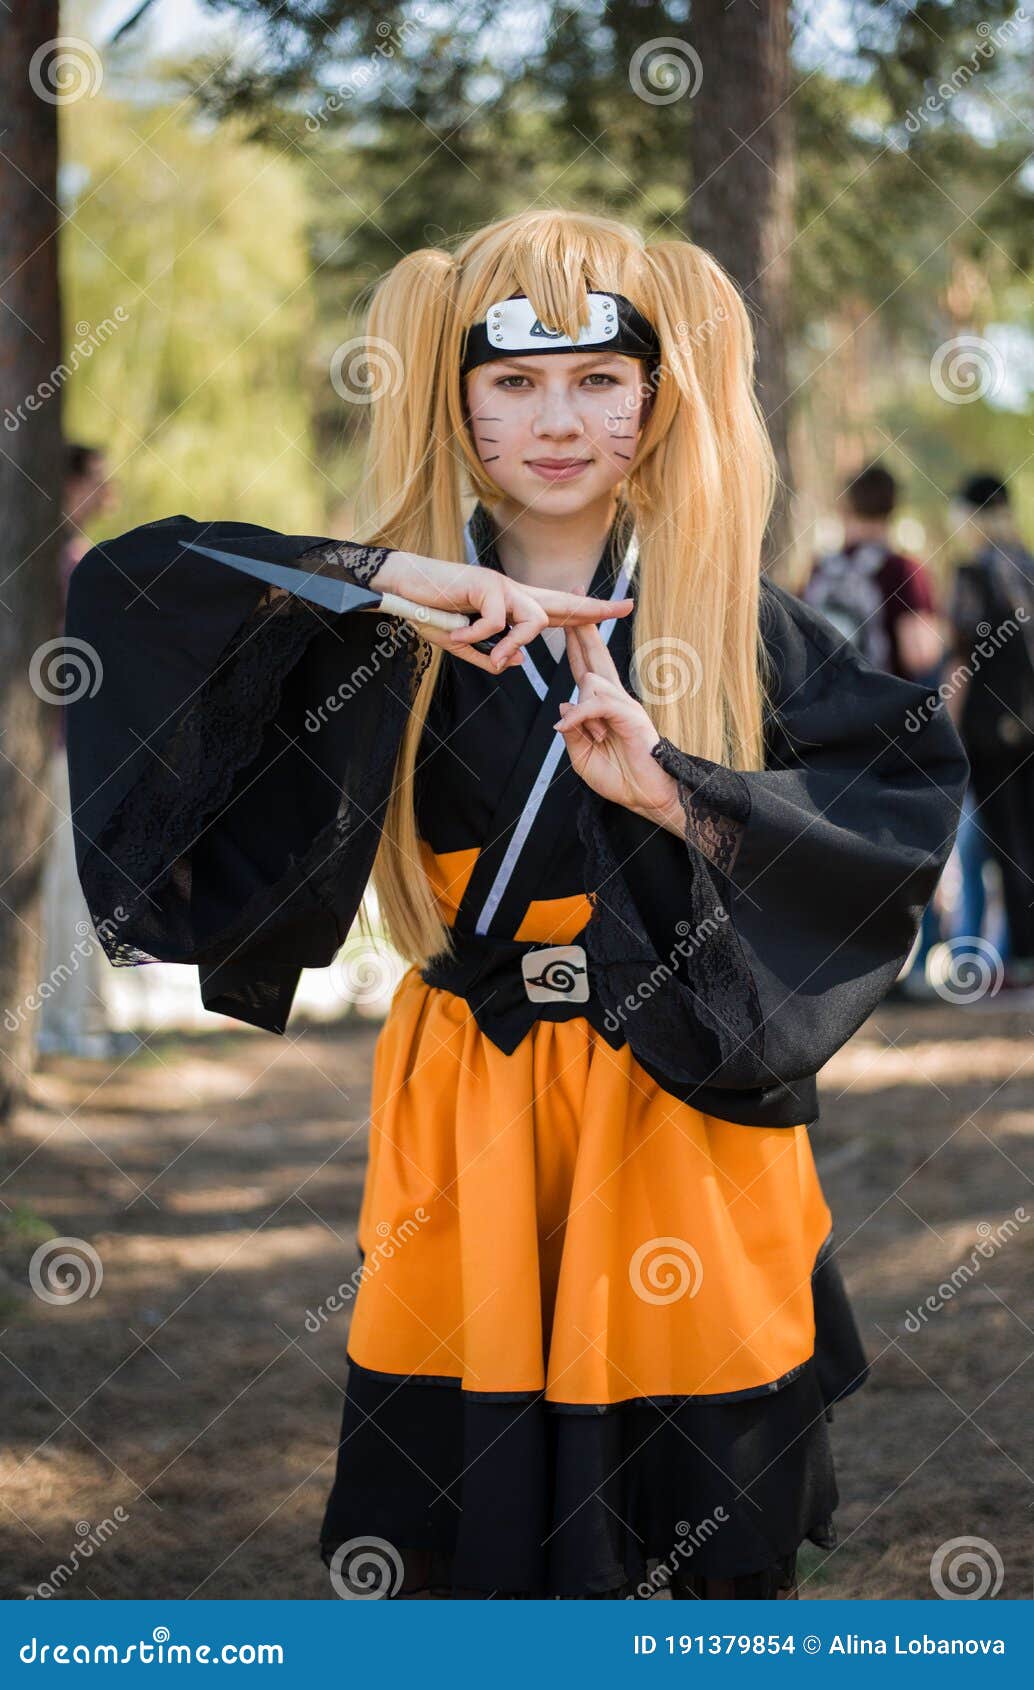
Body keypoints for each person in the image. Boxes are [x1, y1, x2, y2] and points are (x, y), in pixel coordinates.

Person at [63, 210, 968, 1599]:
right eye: (514, 381)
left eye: (600, 379)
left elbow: (898, 798)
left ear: (658, 395)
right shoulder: (380, 622)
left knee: (696, 1504)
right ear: (455, 394)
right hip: (471, 1091)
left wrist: (678, 789)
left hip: (678, 1094)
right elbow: (133, 585)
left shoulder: (727, 614)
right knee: (466, 1514)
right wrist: (387, 576)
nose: (557, 420)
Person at [37, 444, 122, 1058]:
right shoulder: (55, 566)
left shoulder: (76, 561)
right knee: (61, 883)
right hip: (53, 754)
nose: (107, 496)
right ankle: (58, 1022)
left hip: (81, 752)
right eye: (96, 482)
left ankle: (80, 1018)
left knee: (80, 881)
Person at [946, 473, 1034, 989]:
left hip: (988, 733)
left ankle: (1022, 956)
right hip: (1028, 727)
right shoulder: (1028, 563)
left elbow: (961, 660)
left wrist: (946, 734)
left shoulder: (974, 574)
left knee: (1006, 844)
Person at [804, 463, 942, 682]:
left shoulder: (821, 568)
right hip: (884, 708)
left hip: (825, 706)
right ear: (893, 508)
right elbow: (919, 654)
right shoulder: (902, 569)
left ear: (846, 508)